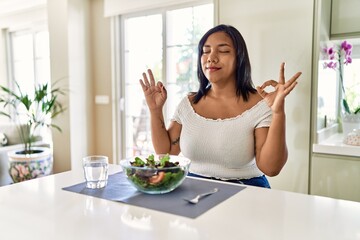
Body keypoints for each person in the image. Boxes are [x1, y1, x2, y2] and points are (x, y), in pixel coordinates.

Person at [139, 24, 301, 188]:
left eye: (223, 51)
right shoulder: (189, 103)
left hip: (245, 191)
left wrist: (278, 112)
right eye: (205, 51)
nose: (211, 57)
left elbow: (271, 168)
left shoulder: (260, 104)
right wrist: (155, 110)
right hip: (194, 190)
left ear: (239, 58)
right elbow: (166, 152)